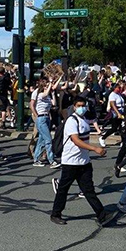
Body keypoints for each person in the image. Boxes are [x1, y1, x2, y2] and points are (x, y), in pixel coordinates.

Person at [50, 97, 113, 226]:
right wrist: (95, 148)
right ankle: (56, 214)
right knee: (63, 189)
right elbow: (76, 140)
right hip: (71, 162)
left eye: (83, 105)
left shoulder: (83, 120)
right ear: (74, 106)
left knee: (88, 190)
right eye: (79, 105)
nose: (82, 108)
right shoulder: (71, 121)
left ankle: (102, 215)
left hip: (84, 162)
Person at [32, 79, 59, 169]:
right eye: (47, 85)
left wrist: (53, 93)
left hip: (47, 117)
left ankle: (36, 159)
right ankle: (51, 160)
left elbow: (54, 104)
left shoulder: (47, 96)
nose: (49, 87)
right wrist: (51, 83)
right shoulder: (40, 95)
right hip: (41, 118)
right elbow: (45, 94)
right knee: (48, 140)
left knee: (41, 140)